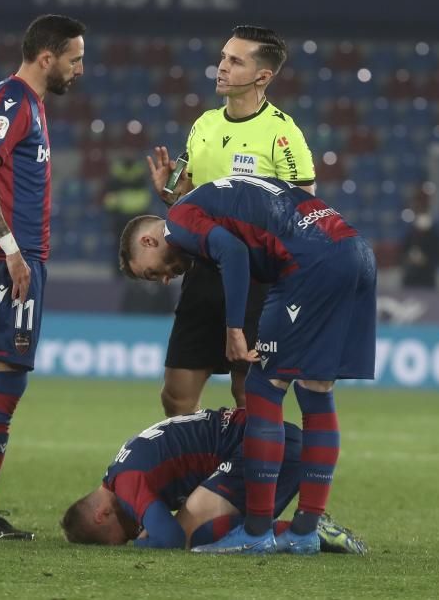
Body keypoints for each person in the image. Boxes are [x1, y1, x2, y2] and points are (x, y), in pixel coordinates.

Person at [119, 175, 376, 554]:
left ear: (148, 240)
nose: (163, 279)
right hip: (354, 251)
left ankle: (256, 534)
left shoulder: (178, 220)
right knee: (316, 391)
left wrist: (234, 328)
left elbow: (233, 252)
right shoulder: (213, 200)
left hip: (309, 262)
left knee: (261, 389)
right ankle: (304, 531)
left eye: (152, 271)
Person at [147, 26, 316, 416]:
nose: (221, 67)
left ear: (263, 76)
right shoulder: (204, 124)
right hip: (204, 271)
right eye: (223, 57)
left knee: (250, 396)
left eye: (234, 61)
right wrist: (169, 190)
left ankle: (240, 476)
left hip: (258, 280)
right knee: (176, 395)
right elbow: (184, 188)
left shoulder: (283, 135)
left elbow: (303, 212)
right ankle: (194, 473)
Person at [0, 14, 85, 540]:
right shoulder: (15, 101)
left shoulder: (18, 100)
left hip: (16, 253)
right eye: (75, 58)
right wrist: (12, 249)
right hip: (6, 256)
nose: (81, 69)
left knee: (6, 375)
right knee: (8, 375)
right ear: (46, 57)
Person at [60, 408, 365, 554]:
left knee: (195, 537)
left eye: (119, 538)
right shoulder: (120, 469)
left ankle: (307, 531)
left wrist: (143, 545)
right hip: (274, 443)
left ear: (102, 515)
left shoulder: (127, 482)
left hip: (265, 448)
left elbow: (170, 540)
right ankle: (307, 528)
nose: (128, 536)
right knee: (201, 525)